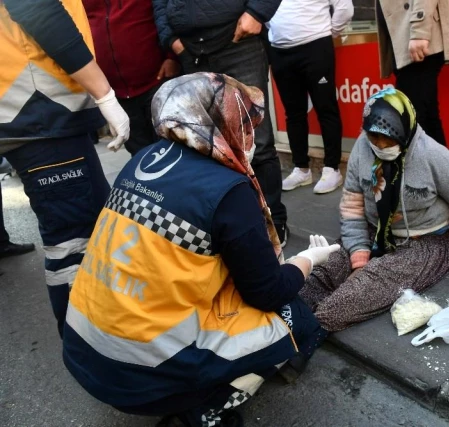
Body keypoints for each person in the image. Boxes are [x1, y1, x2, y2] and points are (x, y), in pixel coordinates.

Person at [63, 73, 340, 427]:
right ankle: (209, 404)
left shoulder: (144, 157)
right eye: (245, 125)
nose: (251, 136)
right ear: (220, 124)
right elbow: (267, 292)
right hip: (142, 375)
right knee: (296, 319)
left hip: (82, 350)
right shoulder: (227, 188)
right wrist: (307, 260)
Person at [300, 89, 449, 331]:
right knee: (324, 270)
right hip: (375, 231)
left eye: (390, 140)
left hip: (425, 243)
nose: (382, 147)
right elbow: (352, 207)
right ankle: (285, 313)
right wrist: (359, 257)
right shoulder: (362, 148)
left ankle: (304, 332)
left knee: (359, 292)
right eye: (375, 139)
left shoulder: (434, 156)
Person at [0, 0, 130, 336]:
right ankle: (92, 350)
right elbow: (37, 9)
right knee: (77, 242)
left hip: (36, 110)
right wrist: (103, 94)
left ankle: (97, 347)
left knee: (85, 233)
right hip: (37, 106)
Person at [152, 0, 291, 247]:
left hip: (238, 43)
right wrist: (174, 43)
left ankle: (273, 221)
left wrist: (257, 13)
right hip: (191, 52)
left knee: (257, 142)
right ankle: (232, 223)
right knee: (206, 148)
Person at [269, 0, 354, 194]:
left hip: (316, 47)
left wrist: (324, 34)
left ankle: (332, 169)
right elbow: (264, 12)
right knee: (293, 113)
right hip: (279, 52)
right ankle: (301, 169)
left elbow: (345, 8)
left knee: (326, 109)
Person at [83, 0, 181, 156]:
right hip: (116, 92)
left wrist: (172, 57)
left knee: (170, 151)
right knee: (140, 157)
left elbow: (165, 14)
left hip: (156, 81)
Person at [376, 0, 449, 146]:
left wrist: (419, 30)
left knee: (415, 120)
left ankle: (436, 168)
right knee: (424, 119)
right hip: (406, 37)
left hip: (417, 38)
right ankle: (442, 168)